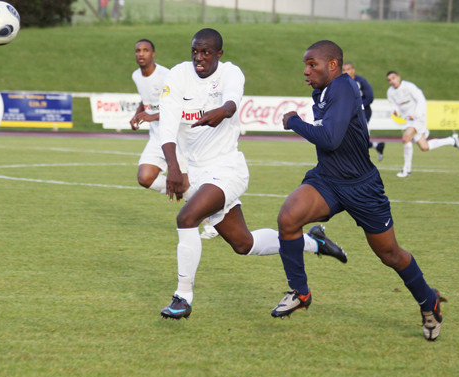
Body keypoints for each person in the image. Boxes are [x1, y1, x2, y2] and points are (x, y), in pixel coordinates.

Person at [157, 29, 347, 320]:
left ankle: (183, 296)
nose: (199, 58)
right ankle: (314, 242)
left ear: (219, 54)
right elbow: (168, 124)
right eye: (195, 51)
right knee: (243, 244)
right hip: (193, 171)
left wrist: (223, 110)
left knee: (187, 219)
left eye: (206, 53)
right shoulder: (178, 75)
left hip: (226, 169)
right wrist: (173, 166)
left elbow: (233, 102)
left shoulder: (231, 73)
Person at [276, 40, 446, 341]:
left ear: (332, 65)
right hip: (328, 179)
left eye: (311, 64)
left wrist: (294, 121)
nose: (305, 71)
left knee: (390, 254)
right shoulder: (323, 90)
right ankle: (300, 293)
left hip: (361, 187)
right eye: (305, 64)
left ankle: (427, 301)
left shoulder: (343, 87)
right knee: (288, 218)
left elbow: (329, 138)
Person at [129, 38, 219, 239]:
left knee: (185, 182)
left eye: (145, 50)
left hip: (175, 135)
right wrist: (138, 114)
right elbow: (146, 101)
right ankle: (181, 191)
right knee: (145, 178)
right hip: (155, 135)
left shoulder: (167, 75)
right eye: (137, 50)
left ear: (153, 54)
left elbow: (180, 106)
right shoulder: (136, 76)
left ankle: (211, 222)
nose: (140, 54)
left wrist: (152, 116)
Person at [386, 70, 459, 178]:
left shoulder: (409, 86)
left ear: (399, 77)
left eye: (393, 78)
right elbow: (394, 105)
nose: (392, 81)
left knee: (405, 138)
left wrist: (416, 114)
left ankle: (406, 170)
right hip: (408, 120)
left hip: (418, 118)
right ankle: (452, 140)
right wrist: (395, 111)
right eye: (389, 80)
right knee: (424, 147)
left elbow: (421, 100)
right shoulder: (390, 92)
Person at [342, 62, 385, 161]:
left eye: (348, 69)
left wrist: (357, 107)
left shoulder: (360, 81)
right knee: (350, 137)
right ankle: (377, 146)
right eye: (344, 70)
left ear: (353, 70)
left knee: (358, 137)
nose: (346, 72)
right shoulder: (341, 82)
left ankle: (361, 162)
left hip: (363, 113)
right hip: (348, 114)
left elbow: (370, 97)